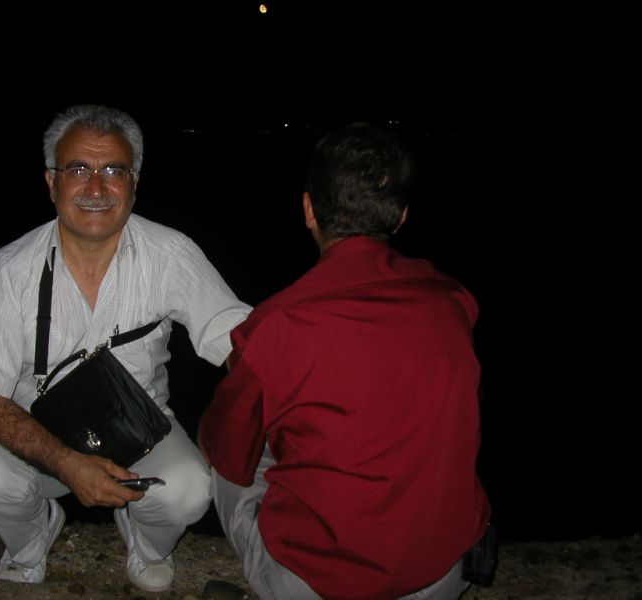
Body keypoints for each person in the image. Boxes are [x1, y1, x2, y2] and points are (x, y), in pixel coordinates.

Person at [0, 104, 251, 592]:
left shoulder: (171, 254)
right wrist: (68, 464)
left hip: (139, 425)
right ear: (51, 181)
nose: (95, 188)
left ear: (134, 182)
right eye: (78, 169)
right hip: (36, 427)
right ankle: (32, 536)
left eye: (113, 170)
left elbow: (237, 338)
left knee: (189, 489)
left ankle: (145, 541)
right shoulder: (7, 270)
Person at [199, 123, 491, 600]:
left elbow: (229, 452)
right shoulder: (455, 303)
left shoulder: (277, 322)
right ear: (400, 217)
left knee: (227, 448)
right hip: (440, 575)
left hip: (318, 583)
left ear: (308, 209)